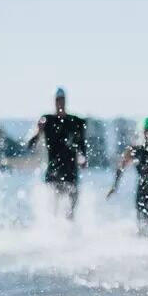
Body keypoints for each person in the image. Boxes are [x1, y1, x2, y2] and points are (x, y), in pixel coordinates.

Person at [26, 87, 88, 220]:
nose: (60, 103)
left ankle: (69, 232)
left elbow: (81, 145)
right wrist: (38, 131)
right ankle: (54, 230)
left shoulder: (75, 121)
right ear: (53, 102)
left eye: (62, 100)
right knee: (54, 206)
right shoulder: (47, 120)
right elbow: (30, 145)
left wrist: (83, 158)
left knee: (71, 206)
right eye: (57, 100)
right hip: (54, 170)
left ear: (66, 101)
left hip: (71, 170)